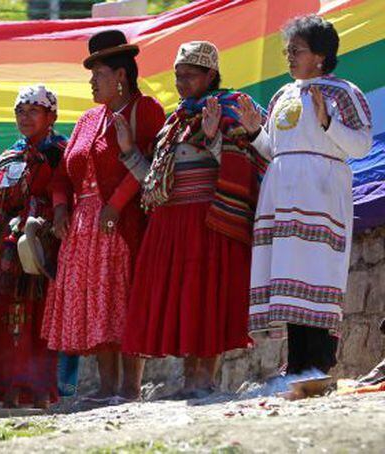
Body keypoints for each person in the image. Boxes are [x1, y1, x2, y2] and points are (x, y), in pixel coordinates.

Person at [121, 41, 267, 399]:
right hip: (171, 223)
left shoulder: (231, 108)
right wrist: (128, 152)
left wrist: (215, 138)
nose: (181, 83)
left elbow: (249, 164)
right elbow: (155, 182)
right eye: (178, 75)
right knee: (184, 300)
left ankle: (205, 381)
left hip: (209, 221)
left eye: (189, 75)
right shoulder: (175, 122)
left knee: (207, 297)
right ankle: (190, 382)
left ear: (210, 75)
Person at [236, 15, 373, 375]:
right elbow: (275, 150)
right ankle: (296, 367)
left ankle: (320, 364)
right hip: (282, 194)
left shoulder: (343, 93)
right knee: (288, 276)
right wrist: (254, 132)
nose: (289, 57)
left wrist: (327, 121)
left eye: (296, 50)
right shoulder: (282, 95)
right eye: (288, 50)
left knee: (317, 274)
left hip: (321, 193)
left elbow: (361, 145)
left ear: (320, 56)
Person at [42, 30, 166, 402]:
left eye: (99, 74)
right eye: (92, 75)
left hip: (123, 223)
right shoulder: (87, 120)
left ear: (121, 76)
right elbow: (62, 175)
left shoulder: (146, 110)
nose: (92, 82)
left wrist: (115, 205)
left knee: (123, 300)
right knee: (98, 307)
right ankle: (108, 386)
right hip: (84, 228)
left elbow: (149, 162)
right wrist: (60, 208)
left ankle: (130, 387)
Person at [0, 85, 67, 408]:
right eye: (20, 112)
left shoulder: (62, 154)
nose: (25, 117)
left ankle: (40, 396)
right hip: (8, 254)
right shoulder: (9, 156)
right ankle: (9, 394)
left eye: (33, 111)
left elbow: (65, 196)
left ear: (51, 117)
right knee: (5, 321)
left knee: (39, 321)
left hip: (42, 250)